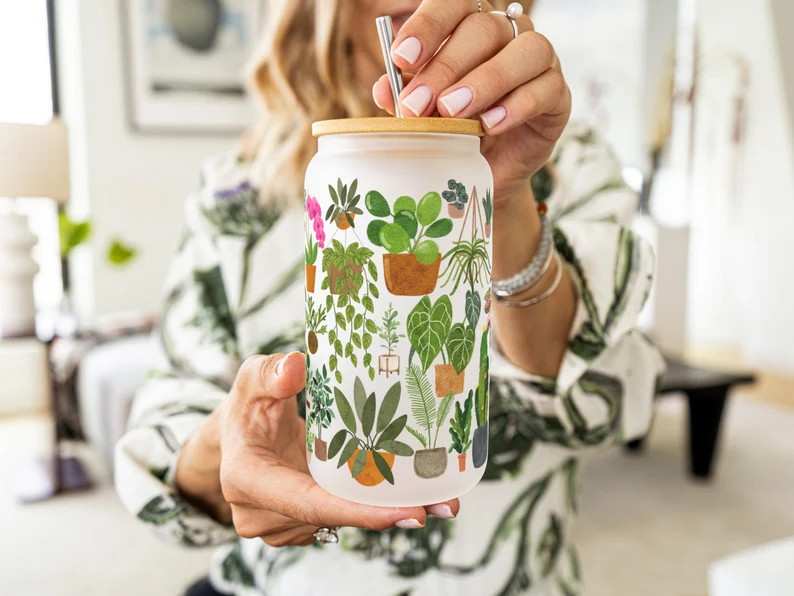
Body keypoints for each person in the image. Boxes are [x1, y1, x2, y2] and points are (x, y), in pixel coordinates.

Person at [115, 1, 664, 594]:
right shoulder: (235, 195)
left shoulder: (563, 152)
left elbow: (611, 406)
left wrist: (504, 202)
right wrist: (224, 456)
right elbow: (165, 436)